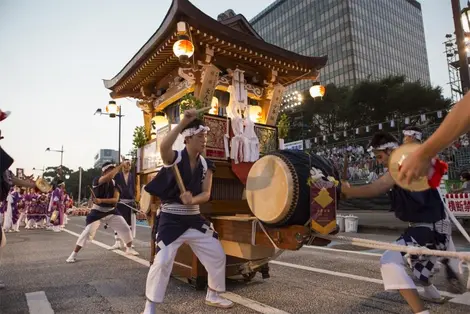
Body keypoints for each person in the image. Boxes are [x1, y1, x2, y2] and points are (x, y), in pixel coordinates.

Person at [341, 131, 452, 314]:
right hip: (433, 226)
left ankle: (421, 312)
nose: (379, 161)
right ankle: (433, 295)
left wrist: (348, 191)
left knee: (389, 260)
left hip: (430, 228)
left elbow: (376, 187)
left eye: (380, 156)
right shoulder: (405, 163)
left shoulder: (402, 164)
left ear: (390, 150)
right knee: (416, 262)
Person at [142, 109, 233, 314]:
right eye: (201, 136)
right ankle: (150, 305)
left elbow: (206, 194)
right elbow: (164, 146)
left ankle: (213, 293)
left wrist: (192, 199)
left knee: (216, 253)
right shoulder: (174, 158)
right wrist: (183, 122)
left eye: (205, 137)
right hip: (171, 218)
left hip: (193, 218)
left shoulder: (205, 164)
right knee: (163, 260)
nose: (204, 140)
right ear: (188, 139)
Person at [66, 162, 139, 263]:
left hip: (111, 211)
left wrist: (101, 200)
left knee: (125, 228)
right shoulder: (97, 180)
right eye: (110, 169)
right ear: (104, 171)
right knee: (87, 233)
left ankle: (129, 248)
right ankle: (73, 254)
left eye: (113, 169)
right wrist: (121, 165)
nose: (113, 171)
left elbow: (115, 200)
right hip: (97, 211)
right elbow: (108, 178)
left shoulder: (115, 184)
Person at [398, 93, 470, 184]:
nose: (404, 139)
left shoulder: (426, 153)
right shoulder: (405, 154)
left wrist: (424, 155)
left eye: (406, 136)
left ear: (412, 136)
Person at [109, 158, 137, 250]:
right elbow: (113, 187)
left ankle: (128, 242)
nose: (127, 166)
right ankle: (117, 242)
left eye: (129, 165)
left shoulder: (133, 176)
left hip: (129, 202)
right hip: (120, 202)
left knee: (129, 223)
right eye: (125, 165)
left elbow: (134, 188)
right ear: (122, 166)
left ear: (130, 166)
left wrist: (135, 200)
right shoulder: (117, 176)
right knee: (118, 222)